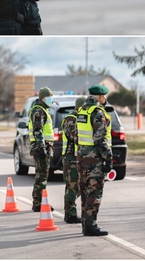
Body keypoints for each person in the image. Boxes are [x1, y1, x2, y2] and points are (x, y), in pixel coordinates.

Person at [77, 84, 113, 236]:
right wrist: (108, 158)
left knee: (85, 192)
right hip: (94, 158)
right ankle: (91, 226)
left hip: (82, 157)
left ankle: (86, 225)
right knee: (94, 192)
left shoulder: (82, 110)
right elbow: (100, 138)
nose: (105, 99)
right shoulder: (97, 112)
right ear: (100, 97)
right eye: (105, 96)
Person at [30, 86, 55, 212]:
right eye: (49, 97)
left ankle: (38, 202)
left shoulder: (42, 109)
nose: (51, 99)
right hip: (41, 148)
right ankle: (38, 203)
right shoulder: (38, 111)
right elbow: (37, 131)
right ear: (43, 98)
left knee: (42, 176)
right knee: (41, 176)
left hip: (43, 147)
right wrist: (42, 146)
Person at [62, 96, 86, 225]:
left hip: (78, 158)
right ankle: (70, 214)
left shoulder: (81, 119)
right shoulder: (71, 120)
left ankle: (70, 211)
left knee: (77, 187)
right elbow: (76, 137)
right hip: (71, 159)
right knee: (72, 187)